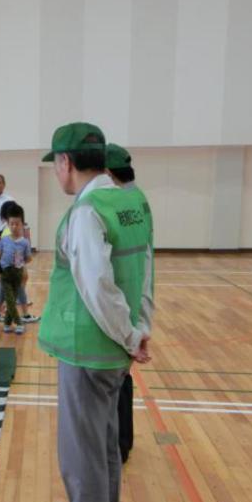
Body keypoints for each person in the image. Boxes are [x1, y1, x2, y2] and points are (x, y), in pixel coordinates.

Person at [36, 122, 153, 502]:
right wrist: (139, 331)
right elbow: (145, 271)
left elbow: (97, 286)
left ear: (65, 163)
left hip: (89, 347)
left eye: (55, 166)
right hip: (116, 348)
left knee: (81, 448)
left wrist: (128, 333)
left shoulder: (86, 213)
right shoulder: (132, 201)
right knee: (104, 443)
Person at [105, 142, 141, 464]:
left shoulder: (114, 205)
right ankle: (122, 443)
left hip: (117, 314)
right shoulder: (140, 202)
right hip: (130, 309)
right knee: (122, 381)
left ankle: (117, 444)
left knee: (112, 385)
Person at [0, 200, 39, 325]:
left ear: (22, 224)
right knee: (2, 291)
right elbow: (0, 254)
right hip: (5, 271)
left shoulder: (24, 242)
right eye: (11, 224)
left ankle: (24, 314)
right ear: (7, 224)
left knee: (20, 291)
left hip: (17, 271)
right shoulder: (4, 240)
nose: (14, 226)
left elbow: (29, 258)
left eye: (17, 224)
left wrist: (22, 261)